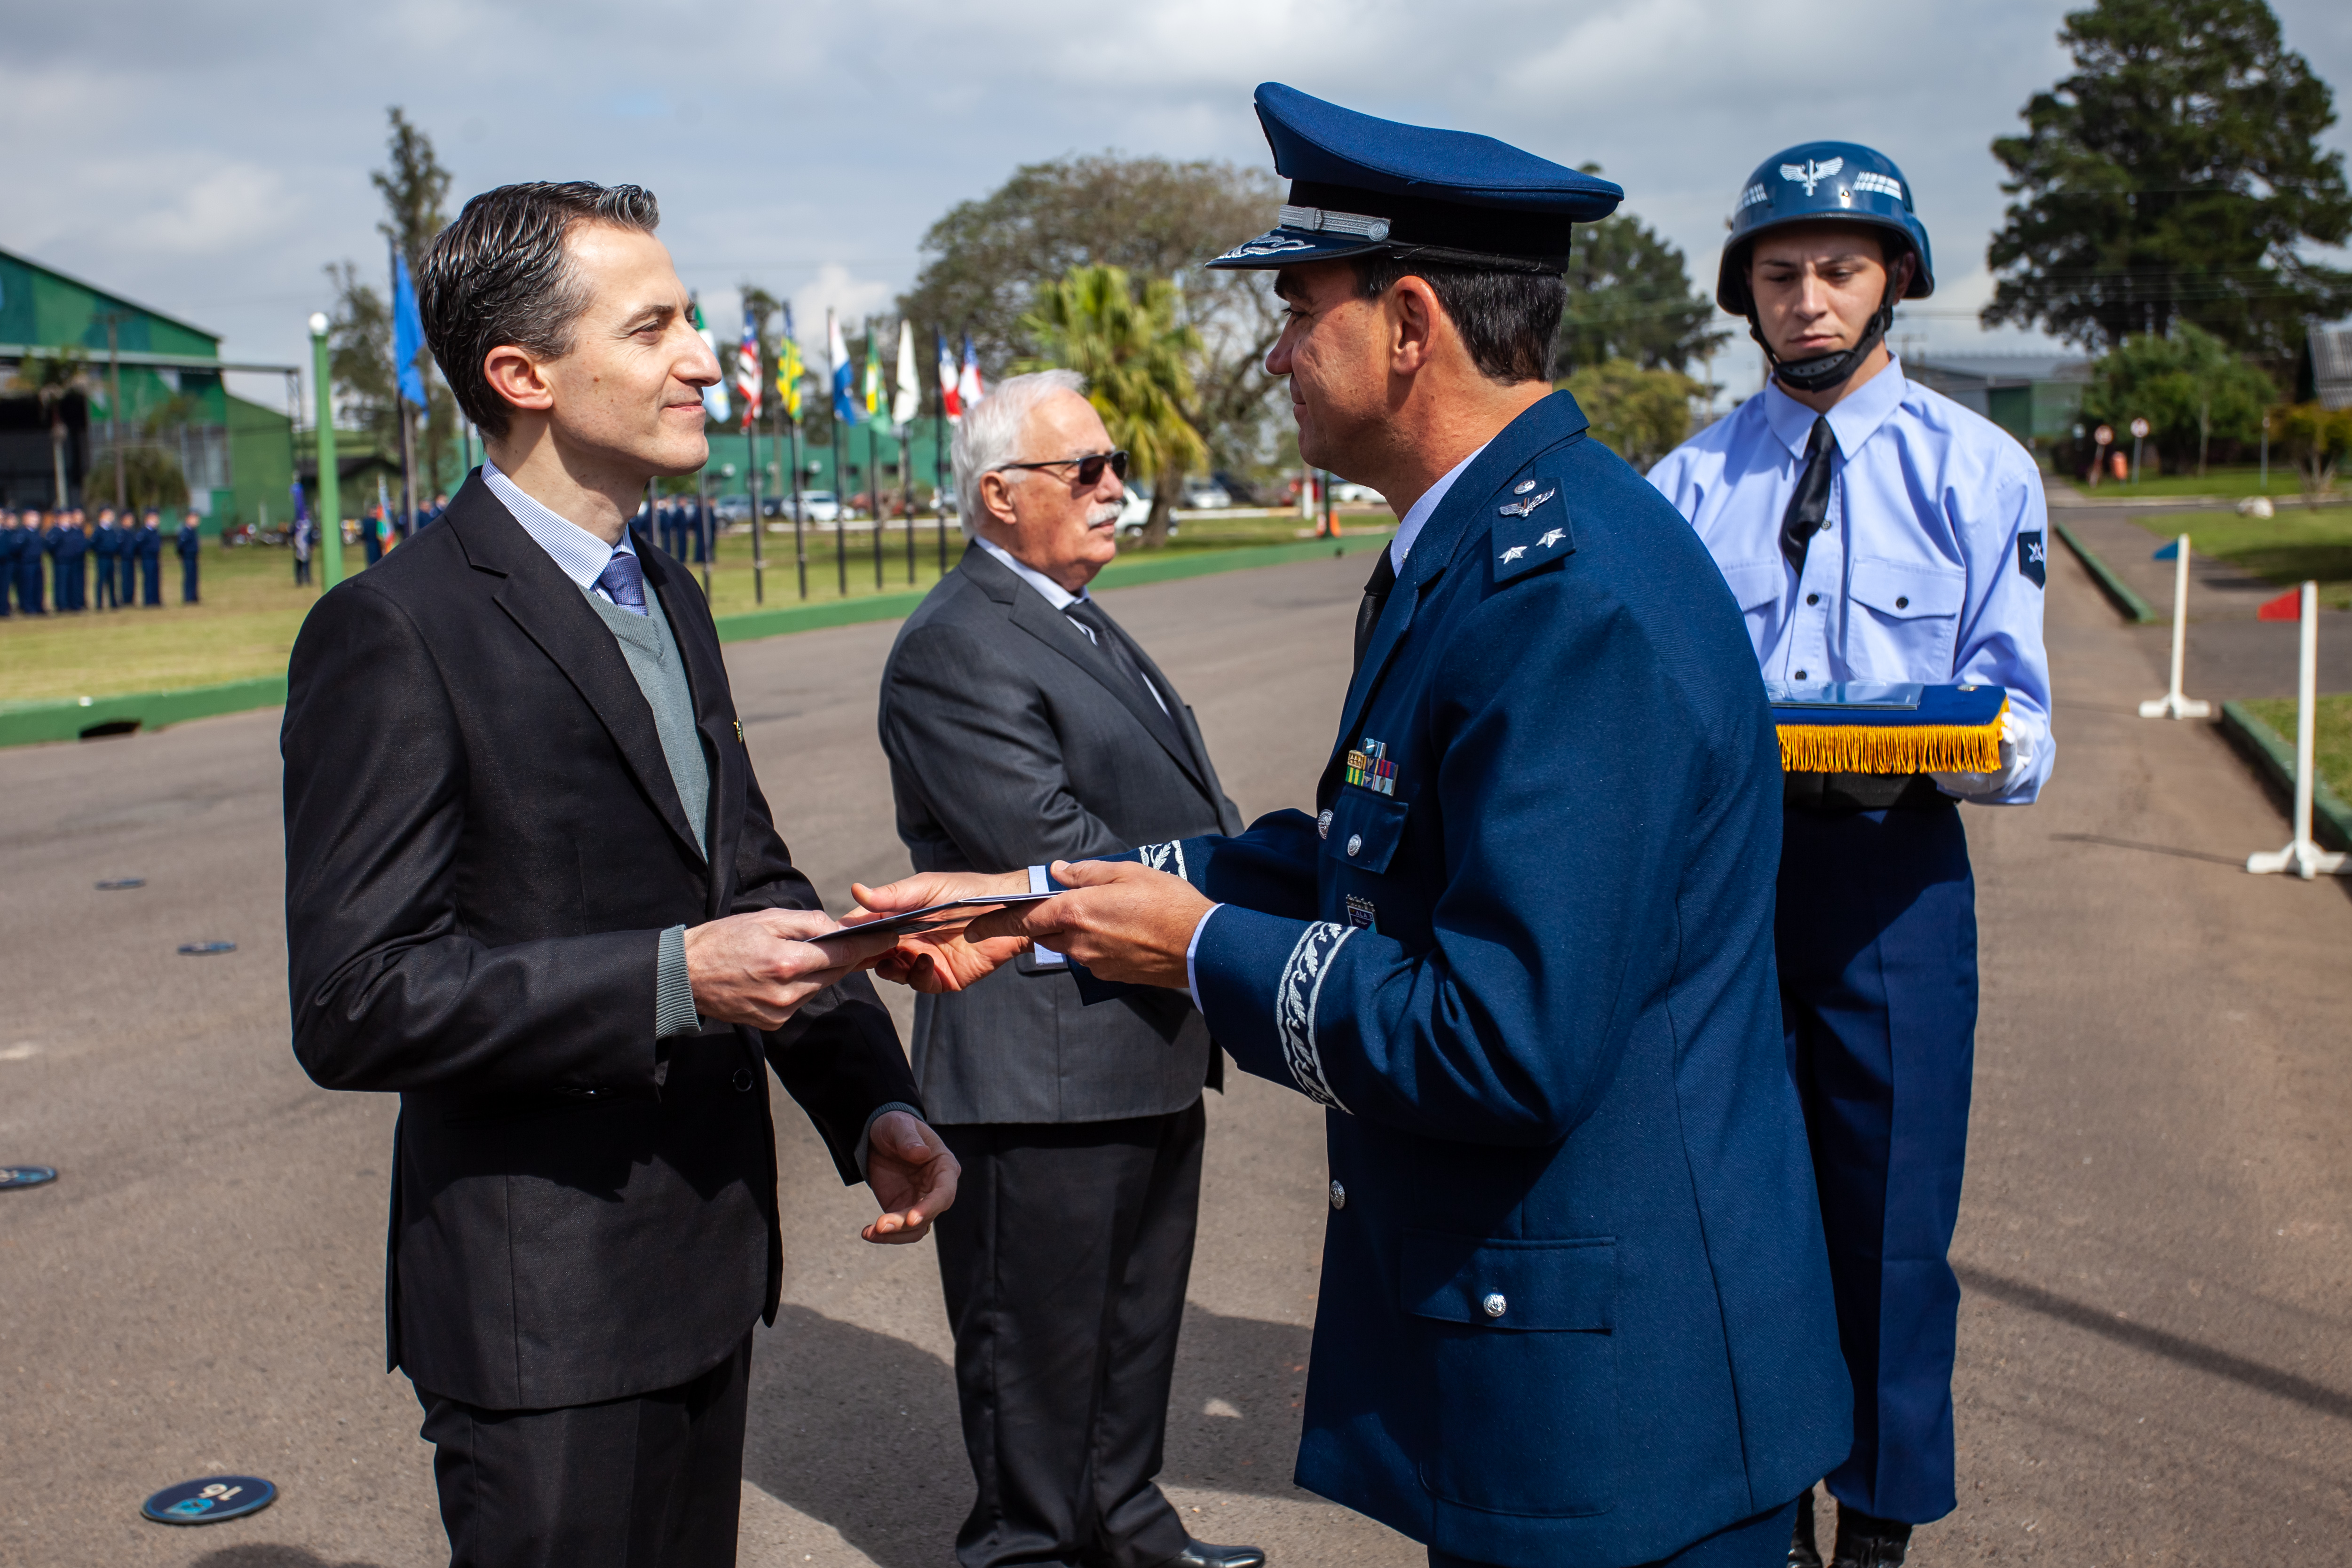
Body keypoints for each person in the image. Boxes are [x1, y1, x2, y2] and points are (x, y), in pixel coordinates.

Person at [859, 83, 1852, 1568]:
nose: (1271, 351)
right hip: (1550, 1372)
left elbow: (1502, 1034)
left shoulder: (1560, 596)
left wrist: (1196, 951)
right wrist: (1050, 890)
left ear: (1406, 324)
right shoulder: (1472, 550)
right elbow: (1365, 860)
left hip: (1620, 1415)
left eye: (1296, 306)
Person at [281, 179, 959, 1568]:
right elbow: (356, 997)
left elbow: (745, 877)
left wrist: (869, 1095)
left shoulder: (666, 590)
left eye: (691, 320)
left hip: (703, 1272)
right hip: (545, 1317)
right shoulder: (391, 631)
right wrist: (675, 977)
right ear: (520, 374)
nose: (703, 357)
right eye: (653, 327)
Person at [1646, 143, 2053, 1568]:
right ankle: (1757, 1499)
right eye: (1778, 274)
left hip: (1891, 878)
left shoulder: (1977, 469)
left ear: (1893, 282)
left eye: (1838, 269)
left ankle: (1875, 1527)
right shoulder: (1681, 486)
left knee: (1885, 1223)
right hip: (1728, 888)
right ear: (1740, 295)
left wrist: (1935, 741)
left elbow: (2025, 726)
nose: (1807, 300)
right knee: (1727, 1204)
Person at [879, 369, 1259, 1568]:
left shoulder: (1067, 613)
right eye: (1083, 470)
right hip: (1036, 1062)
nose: (1114, 490)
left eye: (1112, 466)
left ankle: (1127, 1523)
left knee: (1133, 1325)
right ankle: (1030, 1546)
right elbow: (1053, 853)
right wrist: (1223, 885)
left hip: (1139, 1033)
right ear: (997, 494)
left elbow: (1174, 802)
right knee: (1032, 1355)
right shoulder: (956, 644)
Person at [93, 507, 121, 610]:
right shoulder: (99, 530)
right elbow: (93, 544)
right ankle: (99, 604)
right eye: (109, 515)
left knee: (112, 581)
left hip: (111, 558)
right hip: (102, 559)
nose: (112, 517)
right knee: (101, 580)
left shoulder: (112, 530)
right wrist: (102, 551)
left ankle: (113, 602)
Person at [137, 510, 165, 606]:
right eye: (154, 518)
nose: (157, 520)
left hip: (155, 558)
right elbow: (138, 545)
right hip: (147, 559)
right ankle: (149, 601)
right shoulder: (144, 532)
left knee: (156, 579)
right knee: (149, 580)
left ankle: (156, 600)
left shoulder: (156, 531)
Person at [175, 510, 202, 603]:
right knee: (189, 577)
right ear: (189, 519)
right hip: (188, 557)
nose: (197, 521)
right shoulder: (185, 531)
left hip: (193, 557)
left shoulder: (193, 531)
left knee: (194, 577)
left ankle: (194, 597)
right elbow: (180, 546)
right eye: (195, 519)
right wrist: (184, 555)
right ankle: (189, 598)